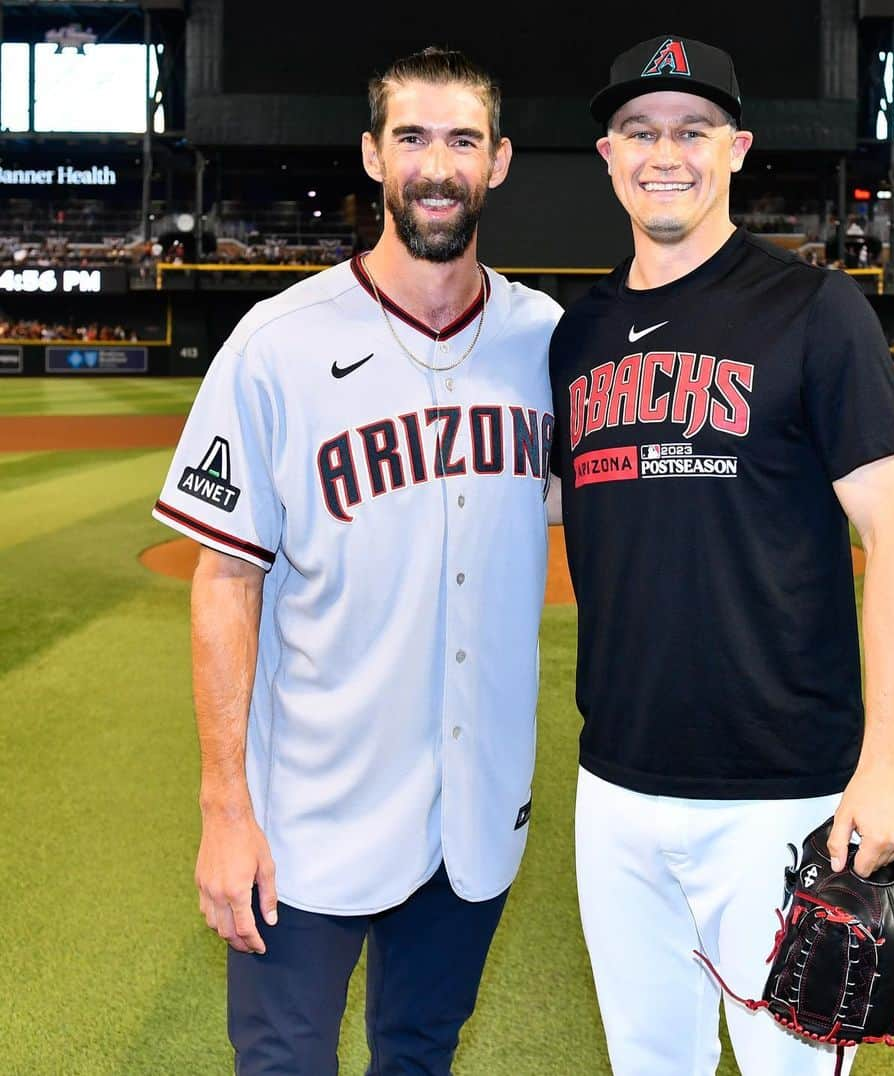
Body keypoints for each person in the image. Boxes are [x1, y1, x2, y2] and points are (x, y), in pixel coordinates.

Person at [152, 47, 561, 1074]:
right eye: (413, 138)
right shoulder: (276, 343)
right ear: (375, 154)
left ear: (499, 161)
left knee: (418, 1055)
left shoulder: (548, 344)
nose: (437, 165)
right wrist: (223, 810)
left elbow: (638, 539)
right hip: (305, 821)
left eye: (462, 140)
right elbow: (224, 578)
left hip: (470, 818)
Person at [546, 34, 894, 1076]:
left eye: (692, 129)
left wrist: (885, 764)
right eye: (639, 130)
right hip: (615, 788)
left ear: (737, 147)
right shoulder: (575, 336)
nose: (663, 152)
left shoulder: (814, 310)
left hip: (784, 798)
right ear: (608, 153)